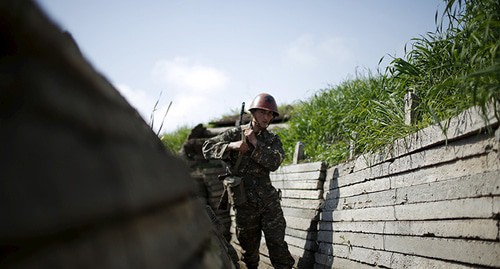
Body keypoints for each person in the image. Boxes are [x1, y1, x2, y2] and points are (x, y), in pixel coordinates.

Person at [202, 93, 294, 269]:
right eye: (263, 112)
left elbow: (274, 162)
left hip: (269, 203)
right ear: (253, 112)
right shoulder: (235, 133)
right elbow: (206, 148)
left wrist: (254, 144)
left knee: (278, 248)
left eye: (270, 114)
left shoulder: (272, 139)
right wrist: (232, 145)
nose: (267, 117)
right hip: (244, 205)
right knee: (249, 254)